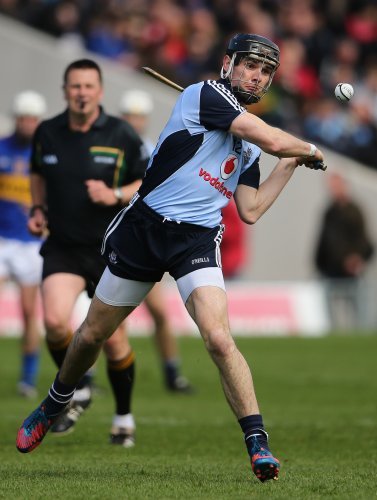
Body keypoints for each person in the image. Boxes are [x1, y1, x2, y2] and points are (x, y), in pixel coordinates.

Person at [17, 34, 325, 483]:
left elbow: (252, 209)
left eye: (265, 71)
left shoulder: (251, 147)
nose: (255, 75)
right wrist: (308, 149)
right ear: (228, 65)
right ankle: (55, 401)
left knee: (219, 339)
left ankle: (258, 444)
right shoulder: (207, 95)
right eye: (249, 65)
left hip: (196, 241)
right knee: (90, 335)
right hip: (145, 229)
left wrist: (292, 163)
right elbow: (275, 139)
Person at [19, 59, 150, 446]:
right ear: (64, 91)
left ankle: (124, 417)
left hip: (109, 248)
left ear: (100, 91)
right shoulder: (47, 132)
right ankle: (79, 386)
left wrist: (115, 194)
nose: (81, 92)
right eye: (74, 86)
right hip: (62, 245)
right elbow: (37, 173)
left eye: (88, 86)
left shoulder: (121, 133)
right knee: (57, 323)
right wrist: (38, 208)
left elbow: (147, 181)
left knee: (112, 340)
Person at [119, 89, 193, 392]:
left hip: (145, 238)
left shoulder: (154, 148)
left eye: (140, 116)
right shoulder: (113, 146)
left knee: (160, 313)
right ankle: (88, 378)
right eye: (130, 116)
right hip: (117, 237)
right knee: (111, 318)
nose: (135, 122)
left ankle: (172, 373)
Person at [0, 90, 47, 398]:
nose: (27, 123)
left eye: (32, 118)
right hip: (3, 239)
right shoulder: (2, 148)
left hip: (31, 243)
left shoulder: (45, 153)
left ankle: (28, 378)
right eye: (23, 118)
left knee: (30, 311)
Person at [314, 172, 374, 329]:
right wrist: (318, 263)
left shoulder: (354, 211)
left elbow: (363, 240)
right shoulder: (329, 212)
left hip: (351, 272)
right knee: (331, 314)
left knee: (358, 311)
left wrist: (356, 259)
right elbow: (324, 240)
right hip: (331, 271)